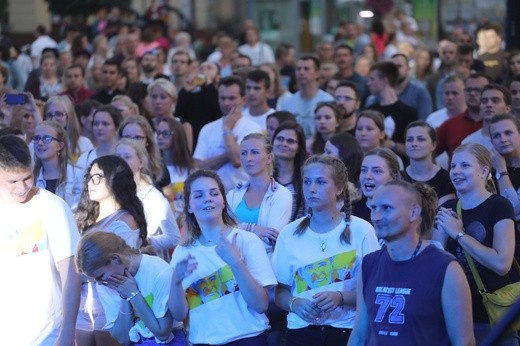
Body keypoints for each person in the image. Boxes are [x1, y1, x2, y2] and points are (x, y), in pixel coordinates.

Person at [348, 180, 474, 345]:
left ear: (414, 212)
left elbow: (464, 342)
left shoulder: (445, 268)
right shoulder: (369, 264)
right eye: (374, 208)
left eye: (387, 208)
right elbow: (359, 334)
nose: (377, 217)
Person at [272, 155, 380, 345]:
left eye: (321, 182)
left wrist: (341, 297)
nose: (311, 189)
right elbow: (279, 292)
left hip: (347, 330)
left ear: (339, 188)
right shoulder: (288, 234)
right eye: (307, 182)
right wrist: (294, 303)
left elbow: (376, 290)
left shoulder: (362, 230)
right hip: (301, 332)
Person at [169, 170, 277, 345]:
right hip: (203, 341)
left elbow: (261, 304)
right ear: (189, 206)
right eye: (198, 195)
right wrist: (175, 282)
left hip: (249, 338)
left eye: (214, 193)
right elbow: (179, 315)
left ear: (223, 202)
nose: (208, 199)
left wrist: (235, 262)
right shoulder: (182, 253)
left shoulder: (246, 240)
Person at [0, 134, 81, 345]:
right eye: (12, 181)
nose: (21, 188)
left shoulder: (52, 207)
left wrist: (67, 332)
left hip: (48, 334)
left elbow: (71, 274)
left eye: (27, 178)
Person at [434, 143, 517, 344]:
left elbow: (501, 264)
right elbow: (435, 263)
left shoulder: (499, 206)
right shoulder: (447, 208)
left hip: (493, 317)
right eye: (453, 166)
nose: (456, 171)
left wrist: (459, 234)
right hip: (454, 316)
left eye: (465, 165)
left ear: (484, 171)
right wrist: (443, 240)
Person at [74, 154, 149, 346]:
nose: (91, 182)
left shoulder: (124, 221)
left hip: (111, 304)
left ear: (116, 179)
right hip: (84, 302)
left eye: (98, 177)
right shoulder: (90, 218)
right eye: (89, 177)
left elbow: (116, 269)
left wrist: (71, 272)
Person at [76, 231, 187, 345]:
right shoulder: (106, 286)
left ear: (115, 258)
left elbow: (163, 333)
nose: (99, 283)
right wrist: (124, 297)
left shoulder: (158, 271)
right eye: (95, 280)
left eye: (101, 276)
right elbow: (124, 339)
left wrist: (133, 294)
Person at [115, 138, 181, 261]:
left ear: (141, 163)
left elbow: (174, 237)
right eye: (118, 156)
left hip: (149, 265)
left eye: (127, 157)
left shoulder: (154, 198)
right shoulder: (112, 194)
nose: (121, 161)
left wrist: (142, 242)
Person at [227, 133, 292, 255]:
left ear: (269, 158)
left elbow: (270, 239)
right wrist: (251, 228)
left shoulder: (282, 194)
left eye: (254, 152)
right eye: (244, 153)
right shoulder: (233, 194)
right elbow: (220, 231)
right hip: (231, 264)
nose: (248, 158)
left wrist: (235, 229)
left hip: (265, 264)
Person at [193, 76, 262, 192]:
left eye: (231, 98)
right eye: (222, 98)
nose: (226, 103)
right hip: (212, 196)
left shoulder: (253, 129)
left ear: (243, 100)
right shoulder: (207, 128)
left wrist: (227, 129)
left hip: (244, 195)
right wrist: (228, 153)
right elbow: (198, 167)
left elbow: (236, 161)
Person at [402, 121, 455, 206]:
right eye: (409, 139)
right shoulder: (398, 178)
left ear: (433, 145)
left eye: (421, 139)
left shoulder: (446, 179)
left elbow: (444, 214)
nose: (414, 144)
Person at [279, 56, 334, 137]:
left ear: (317, 73)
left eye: (306, 69)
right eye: (298, 69)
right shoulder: (287, 103)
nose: (301, 72)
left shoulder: (328, 101)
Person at [33, 120, 83, 208]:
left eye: (47, 138)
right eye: (36, 138)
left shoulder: (78, 175)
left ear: (60, 145)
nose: (40, 143)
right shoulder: (32, 177)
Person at [118, 115, 170, 189]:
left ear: (147, 141)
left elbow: (169, 197)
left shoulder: (159, 166)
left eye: (137, 137)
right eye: (127, 137)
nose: (132, 142)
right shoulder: (111, 165)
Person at [353, 148, 401, 224]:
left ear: (393, 177)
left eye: (377, 171)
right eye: (364, 170)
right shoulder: (350, 210)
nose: (367, 176)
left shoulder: (403, 213)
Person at [272, 121, 307, 222]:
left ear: (299, 148)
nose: (284, 144)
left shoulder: (306, 178)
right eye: (280, 139)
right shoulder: (261, 174)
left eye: (290, 141)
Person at [44, 95, 94, 162]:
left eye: (58, 114)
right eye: (49, 115)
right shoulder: (39, 144)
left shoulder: (84, 144)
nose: (53, 120)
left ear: (69, 116)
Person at [489, 112, 520, 220]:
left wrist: (502, 171)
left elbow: (513, 208)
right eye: (497, 136)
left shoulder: (498, 169)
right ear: (491, 142)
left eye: (508, 133)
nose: (503, 139)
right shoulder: (487, 172)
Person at [156, 117, 194, 200]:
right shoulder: (155, 168)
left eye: (166, 133)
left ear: (177, 136)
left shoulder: (190, 169)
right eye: (158, 133)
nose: (160, 137)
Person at [76, 105, 122, 170]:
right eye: (96, 124)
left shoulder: (124, 156)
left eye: (105, 124)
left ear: (117, 127)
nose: (99, 128)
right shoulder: (85, 159)